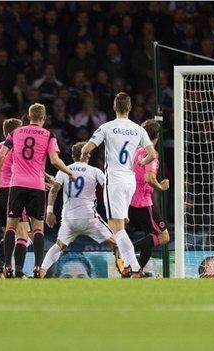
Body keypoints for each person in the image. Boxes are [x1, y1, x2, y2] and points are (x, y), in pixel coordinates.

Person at [0, 103, 75, 278]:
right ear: (44, 118)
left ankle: (7, 266)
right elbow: (54, 160)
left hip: (16, 185)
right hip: (36, 186)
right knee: (37, 228)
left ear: (29, 117)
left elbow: (1, 155)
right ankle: (37, 267)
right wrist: (69, 172)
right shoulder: (48, 135)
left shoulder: (15, 133)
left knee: (11, 226)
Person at [79, 92, 158, 278]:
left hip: (114, 180)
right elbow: (152, 154)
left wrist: (83, 161)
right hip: (129, 181)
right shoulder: (139, 129)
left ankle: (135, 267)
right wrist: (142, 162)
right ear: (130, 108)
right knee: (120, 225)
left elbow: (86, 148)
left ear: (114, 108)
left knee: (116, 228)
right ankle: (131, 267)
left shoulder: (107, 127)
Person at [41, 142, 122, 277]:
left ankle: (41, 272)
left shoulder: (64, 170)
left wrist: (49, 211)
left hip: (69, 219)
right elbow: (109, 190)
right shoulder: (95, 171)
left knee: (58, 246)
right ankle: (124, 269)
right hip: (89, 218)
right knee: (117, 243)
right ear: (87, 155)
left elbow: (54, 189)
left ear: (73, 156)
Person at [0, 118, 33, 278]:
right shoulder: (17, 147)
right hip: (13, 192)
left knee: (8, 234)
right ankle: (18, 271)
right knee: (22, 235)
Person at [126, 120, 170, 276]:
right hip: (143, 203)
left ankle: (136, 272)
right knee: (163, 237)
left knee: (150, 237)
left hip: (130, 201)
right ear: (157, 136)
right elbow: (150, 178)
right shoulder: (151, 154)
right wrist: (161, 187)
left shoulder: (136, 150)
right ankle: (125, 251)